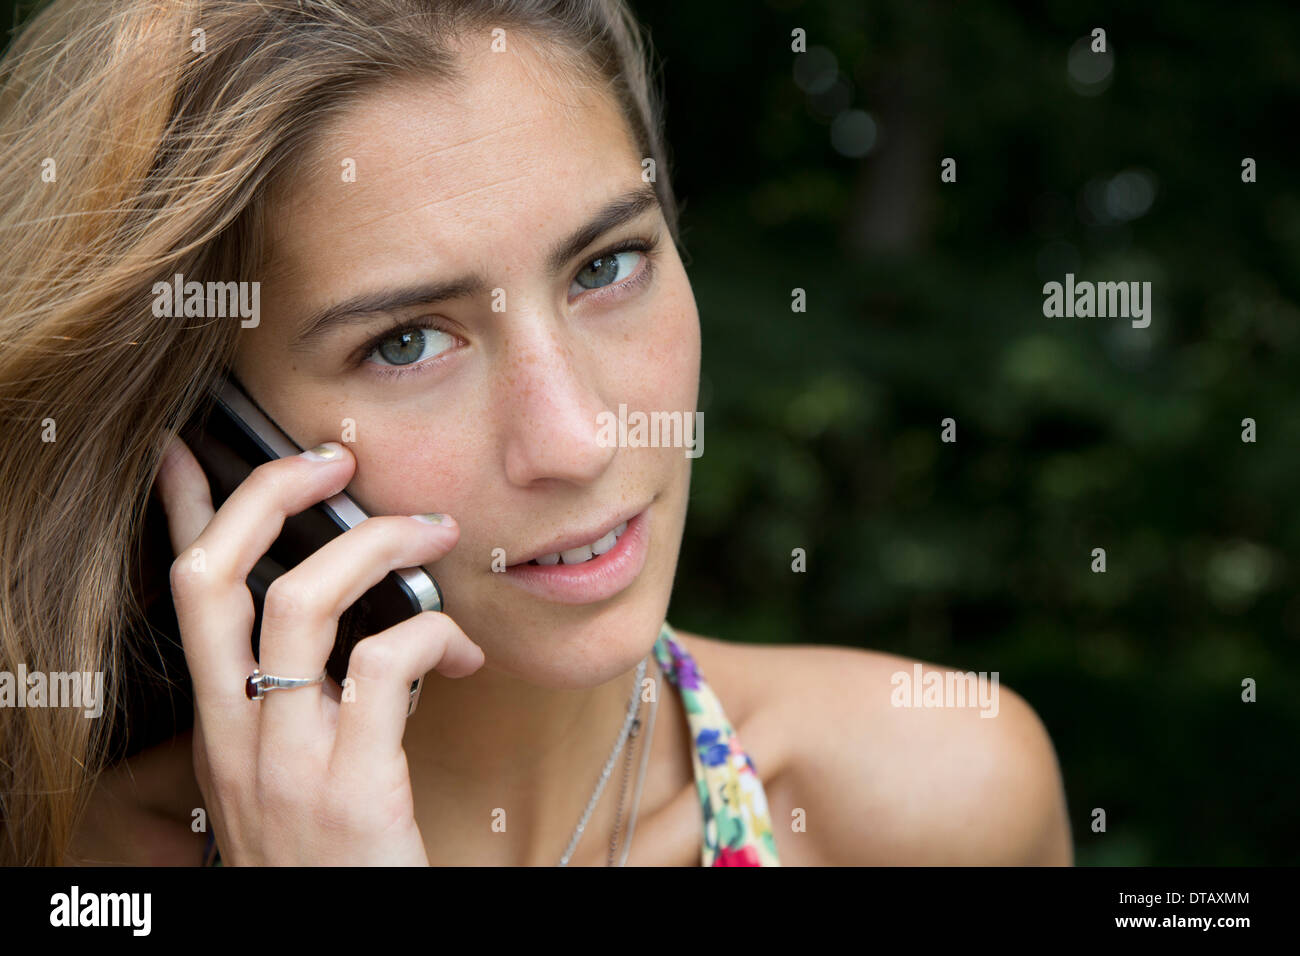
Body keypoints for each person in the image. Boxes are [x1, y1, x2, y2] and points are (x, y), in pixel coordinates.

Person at [0, 0, 1073, 866]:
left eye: (606, 266)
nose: (579, 438)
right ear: (220, 434)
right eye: (409, 341)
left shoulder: (935, 798)